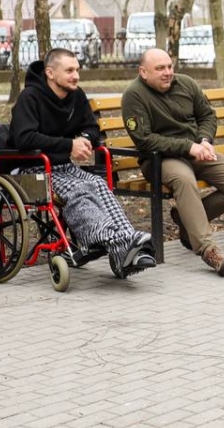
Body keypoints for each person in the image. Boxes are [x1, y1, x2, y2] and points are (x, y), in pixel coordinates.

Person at [10, 48, 156, 278]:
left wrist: (85, 140)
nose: (76, 75)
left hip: (62, 167)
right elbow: (25, 138)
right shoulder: (30, 98)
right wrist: (69, 145)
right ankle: (114, 240)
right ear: (50, 72)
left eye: (77, 69)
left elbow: (91, 127)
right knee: (80, 190)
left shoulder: (76, 95)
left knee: (98, 184)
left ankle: (126, 247)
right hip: (34, 167)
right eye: (69, 71)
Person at [121, 48, 224, 276]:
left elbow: (207, 116)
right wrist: (188, 147)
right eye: (160, 68)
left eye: (169, 67)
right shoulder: (134, 95)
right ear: (143, 72)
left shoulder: (186, 84)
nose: (167, 72)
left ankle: (185, 220)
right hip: (160, 158)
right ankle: (208, 249)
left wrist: (205, 140)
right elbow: (144, 139)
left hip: (196, 151)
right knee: (184, 180)